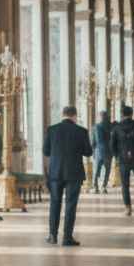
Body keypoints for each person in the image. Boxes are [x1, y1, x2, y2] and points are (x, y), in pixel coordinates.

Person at [42, 105, 92, 245]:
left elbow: (46, 151)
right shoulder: (81, 131)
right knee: (70, 205)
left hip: (56, 173)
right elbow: (88, 152)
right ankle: (67, 237)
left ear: (62, 115)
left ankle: (52, 236)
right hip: (74, 173)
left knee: (55, 203)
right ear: (75, 116)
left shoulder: (52, 130)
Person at [90, 109, 115, 194]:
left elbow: (93, 142)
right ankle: (104, 186)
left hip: (98, 152)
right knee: (107, 170)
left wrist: (93, 152)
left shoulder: (95, 127)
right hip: (109, 152)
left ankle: (96, 187)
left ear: (100, 117)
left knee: (97, 170)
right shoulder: (111, 126)